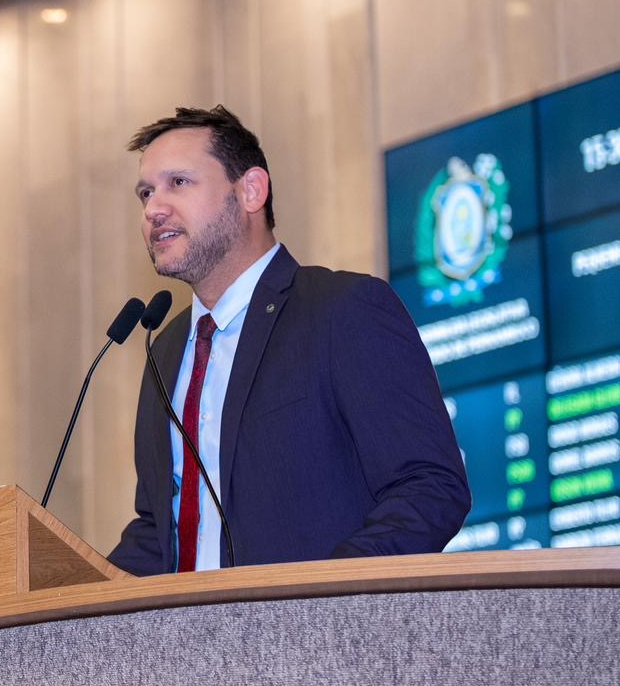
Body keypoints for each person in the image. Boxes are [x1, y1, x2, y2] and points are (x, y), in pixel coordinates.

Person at [107, 105, 470, 575]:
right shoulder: (167, 348)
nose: (154, 209)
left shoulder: (342, 310)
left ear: (251, 191)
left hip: (315, 637)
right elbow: (159, 532)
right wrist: (64, 599)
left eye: (179, 183)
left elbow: (430, 486)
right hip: (188, 645)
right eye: (145, 193)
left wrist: (319, 597)